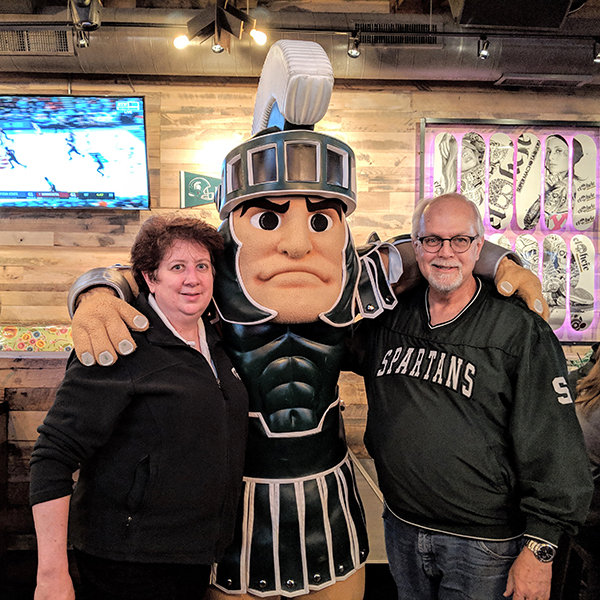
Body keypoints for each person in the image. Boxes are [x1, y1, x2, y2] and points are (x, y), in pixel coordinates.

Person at [60, 41, 549, 600]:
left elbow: (425, 249)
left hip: (330, 498)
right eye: (270, 216)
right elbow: (140, 272)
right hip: (233, 503)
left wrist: (504, 260)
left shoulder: (354, 278)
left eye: (319, 218)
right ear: (231, 226)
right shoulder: (212, 280)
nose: (296, 242)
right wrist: (93, 292)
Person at [346, 193, 592, 600]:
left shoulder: (517, 330)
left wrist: (541, 547)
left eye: (460, 241)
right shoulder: (391, 317)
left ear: (480, 247)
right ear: (416, 245)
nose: (446, 253)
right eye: (432, 241)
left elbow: (555, 445)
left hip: (484, 546)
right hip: (402, 526)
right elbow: (333, 322)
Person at [29, 214, 249, 600]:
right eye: (177, 267)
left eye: (202, 266)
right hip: (129, 559)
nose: (192, 278)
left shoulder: (215, 339)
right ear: (149, 278)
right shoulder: (119, 342)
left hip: (196, 553)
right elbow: (52, 456)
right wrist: (51, 573)